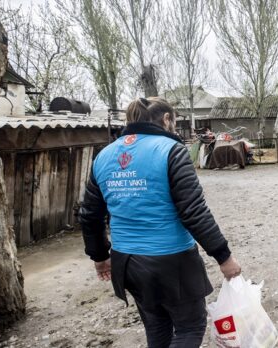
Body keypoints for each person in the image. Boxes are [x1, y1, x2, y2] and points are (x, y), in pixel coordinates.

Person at [79, 97, 241, 348]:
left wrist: (99, 256)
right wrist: (224, 256)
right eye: (174, 120)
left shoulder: (104, 156)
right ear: (166, 119)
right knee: (190, 326)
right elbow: (193, 211)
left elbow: (90, 214)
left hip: (127, 262)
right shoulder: (171, 150)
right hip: (171, 260)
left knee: (157, 327)